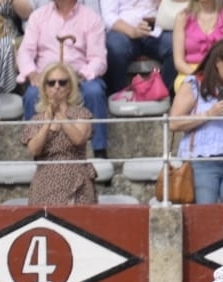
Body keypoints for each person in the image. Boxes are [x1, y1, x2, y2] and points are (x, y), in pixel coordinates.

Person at [17, 0, 110, 158]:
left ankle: (99, 150)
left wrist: (81, 75)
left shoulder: (92, 18)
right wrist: (32, 73)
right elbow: (25, 52)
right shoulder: (38, 17)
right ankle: (36, 151)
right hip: (46, 79)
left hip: (80, 77)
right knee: (32, 95)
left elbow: (98, 59)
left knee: (94, 91)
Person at [168, 39, 223, 205]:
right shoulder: (193, 84)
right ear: (217, 62)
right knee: (203, 214)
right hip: (202, 162)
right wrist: (209, 113)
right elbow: (174, 123)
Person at [21, 62, 97, 206]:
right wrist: (47, 123)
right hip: (45, 183)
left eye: (62, 82)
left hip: (76, 181)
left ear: (70, 87)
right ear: (44, 88)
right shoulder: (37, 119)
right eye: (51, 83)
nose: (57, 86)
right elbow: (33, 150)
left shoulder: (82, 114)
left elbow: (79, 139)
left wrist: (60, 116)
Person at [100, 0, 175, 97]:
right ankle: (119, 96)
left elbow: (175, 7)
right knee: (115, 48)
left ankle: (161, 94)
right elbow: (108, 16)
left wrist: (162, 3)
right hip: (124, 30)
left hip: (155, 28)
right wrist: (132, 31)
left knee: (175, 45)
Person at [171, 0, 223, 90]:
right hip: (190, 72)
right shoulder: (183, 17)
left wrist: (218, 75)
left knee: (221, 91)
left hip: (221, 71)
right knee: (191, 88)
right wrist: (200, 76)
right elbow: (179, 62)